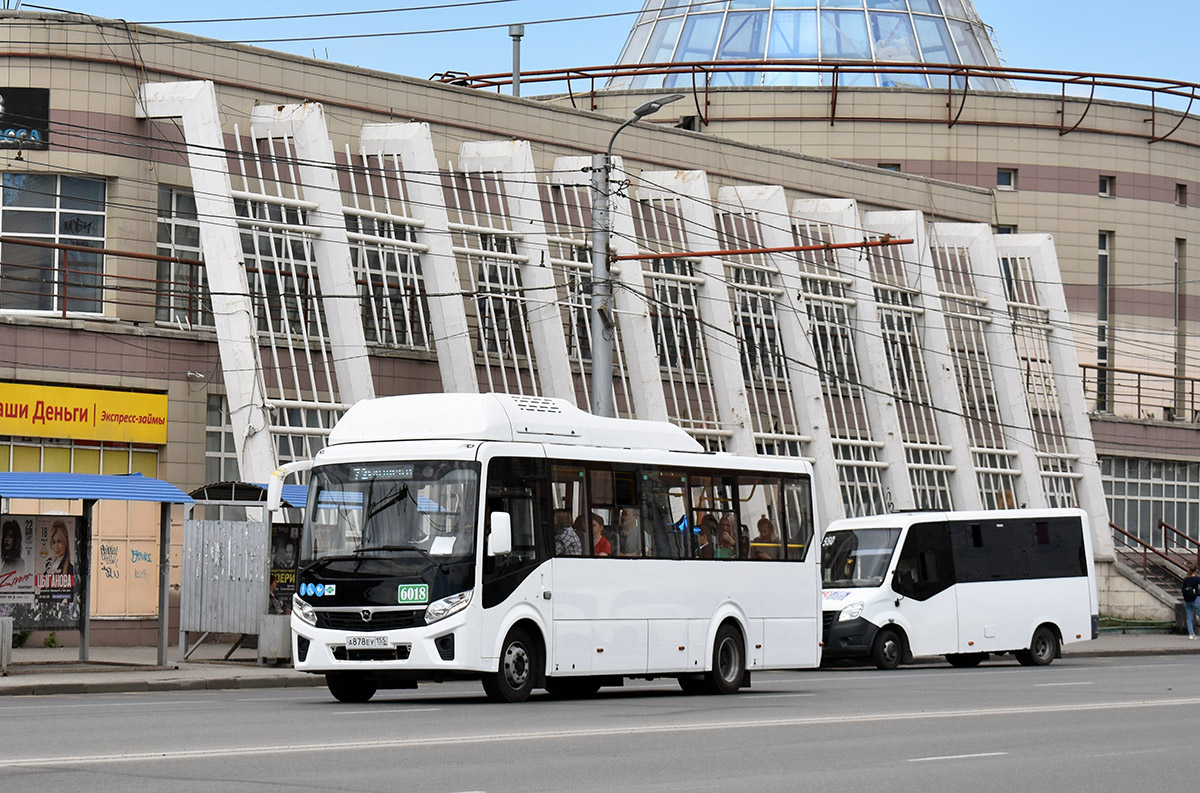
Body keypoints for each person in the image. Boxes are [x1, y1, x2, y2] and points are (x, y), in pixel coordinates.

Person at [1183, 564, 1200, 640]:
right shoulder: (1197, 579)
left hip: (1187, 599)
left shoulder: (1186, 579)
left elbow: (1183, 589)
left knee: (1189, 617)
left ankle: (1191, 634)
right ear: (1196, 571)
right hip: (1196, 598)